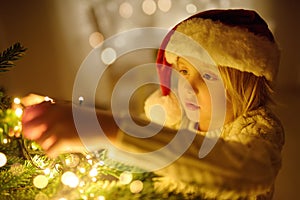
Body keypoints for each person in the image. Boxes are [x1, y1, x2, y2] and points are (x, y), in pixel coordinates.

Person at [22, 9, 284, 199]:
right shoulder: (178, 120)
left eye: (207, 76)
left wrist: (111, 128)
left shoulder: (258, 128)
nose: (188, 87)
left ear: (245, 85)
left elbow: (247, 172)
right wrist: (64, 114)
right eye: (182, 71)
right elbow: (136, 148)